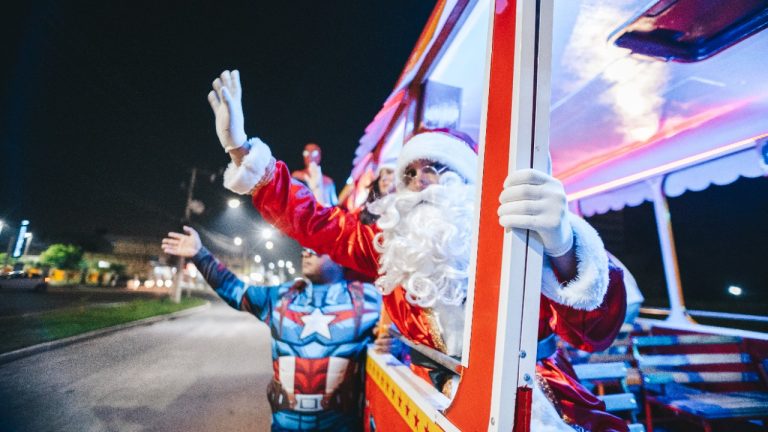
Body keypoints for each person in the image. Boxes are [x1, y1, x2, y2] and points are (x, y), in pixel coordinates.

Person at [208, 69, 628, 431]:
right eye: (410, 172)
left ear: (468, 183)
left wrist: (564, 245)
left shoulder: (513, 239)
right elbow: (313, 220)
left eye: (435, 169)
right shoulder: (389, 246)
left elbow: (595, 333)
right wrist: (242, 150)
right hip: (430, 403)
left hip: (536, 404)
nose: (420, 181)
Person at [161, 226, 380, 432]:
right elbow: (236, 291)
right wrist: (200, 254)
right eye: (304, 246)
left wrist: (392, 342)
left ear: (341, 253)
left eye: (316, 246)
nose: (306, 252)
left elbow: (406, 340)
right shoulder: (282, 297)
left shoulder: (370, 300)